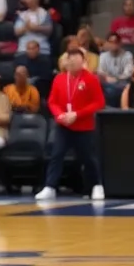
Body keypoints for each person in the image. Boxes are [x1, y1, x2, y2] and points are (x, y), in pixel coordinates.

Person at [36, 47, 105, 201]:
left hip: (84, 126)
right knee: (57, 155)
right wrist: (59, 115)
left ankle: (96, 185)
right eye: (70, 60)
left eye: (76, 60)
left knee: (89, 158)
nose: (73, 63)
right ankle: (50, 186)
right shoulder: (60, 79)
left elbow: (99, 102)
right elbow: (52, 101)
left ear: (83, 62)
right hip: (64, 125)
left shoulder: (91, 79)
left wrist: (77, 114)